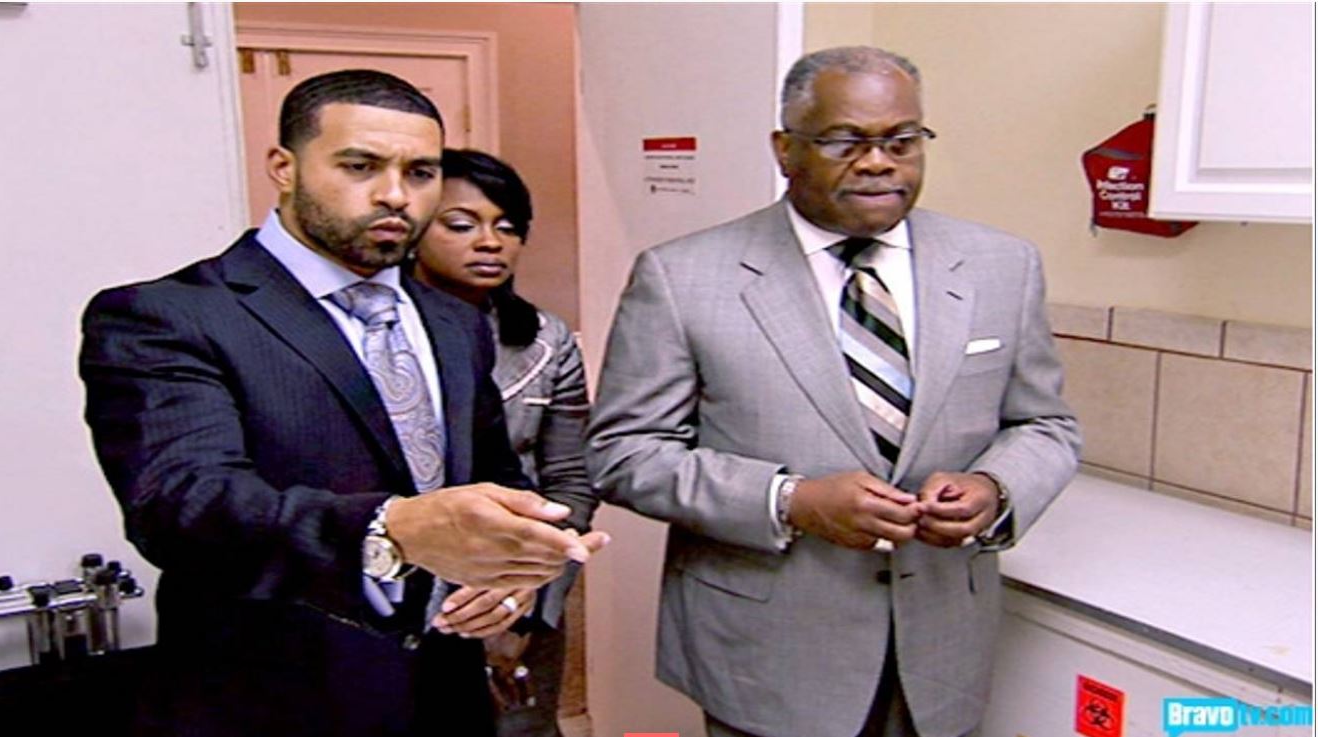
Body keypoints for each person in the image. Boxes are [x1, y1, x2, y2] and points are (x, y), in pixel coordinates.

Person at [78, 69, 608, 737]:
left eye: (421, 173)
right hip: (270, 697)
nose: (394, 194)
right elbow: (183, 504)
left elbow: (492, 474)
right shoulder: (170, 315)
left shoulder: (453, 322)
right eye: (360, 165)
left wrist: (513, 568)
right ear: (284, 166)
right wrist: (392, 529)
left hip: (444, 692)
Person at [585, 46, 1081, 737]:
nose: (879, 162)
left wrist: (996, 489)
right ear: (785, 150)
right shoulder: (682, 277)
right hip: (766, 652)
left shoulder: (1003, 265)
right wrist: (791, 500)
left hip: (941, 646)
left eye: (902, 141)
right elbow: (623, 454)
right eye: (845, 141)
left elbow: (1045, 424)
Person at [411, 148, 597, 737]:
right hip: (406, 593)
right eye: (462, 225)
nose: (490, 242)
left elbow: (570, 480)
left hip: (526, 592)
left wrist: (526, 601)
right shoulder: (380, 333)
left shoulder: (546, 342)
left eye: (508, 227)